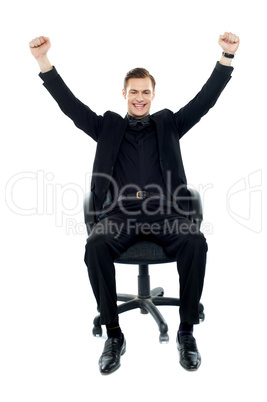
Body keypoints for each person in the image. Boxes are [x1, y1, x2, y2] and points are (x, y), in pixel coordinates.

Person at [29, 32, 240, 374]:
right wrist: (43, 62)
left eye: (145, 92)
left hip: (165, 214)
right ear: (124, 94)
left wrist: (226, 57)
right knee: (95, 245)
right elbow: (70, 106)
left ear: (153, 95)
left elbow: (205, 101)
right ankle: (114, 335)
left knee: (195, 243)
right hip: (121, 216)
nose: (139, 98)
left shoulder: (170, 123)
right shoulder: (107, 126)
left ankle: (186, 332)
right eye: (133, 91)